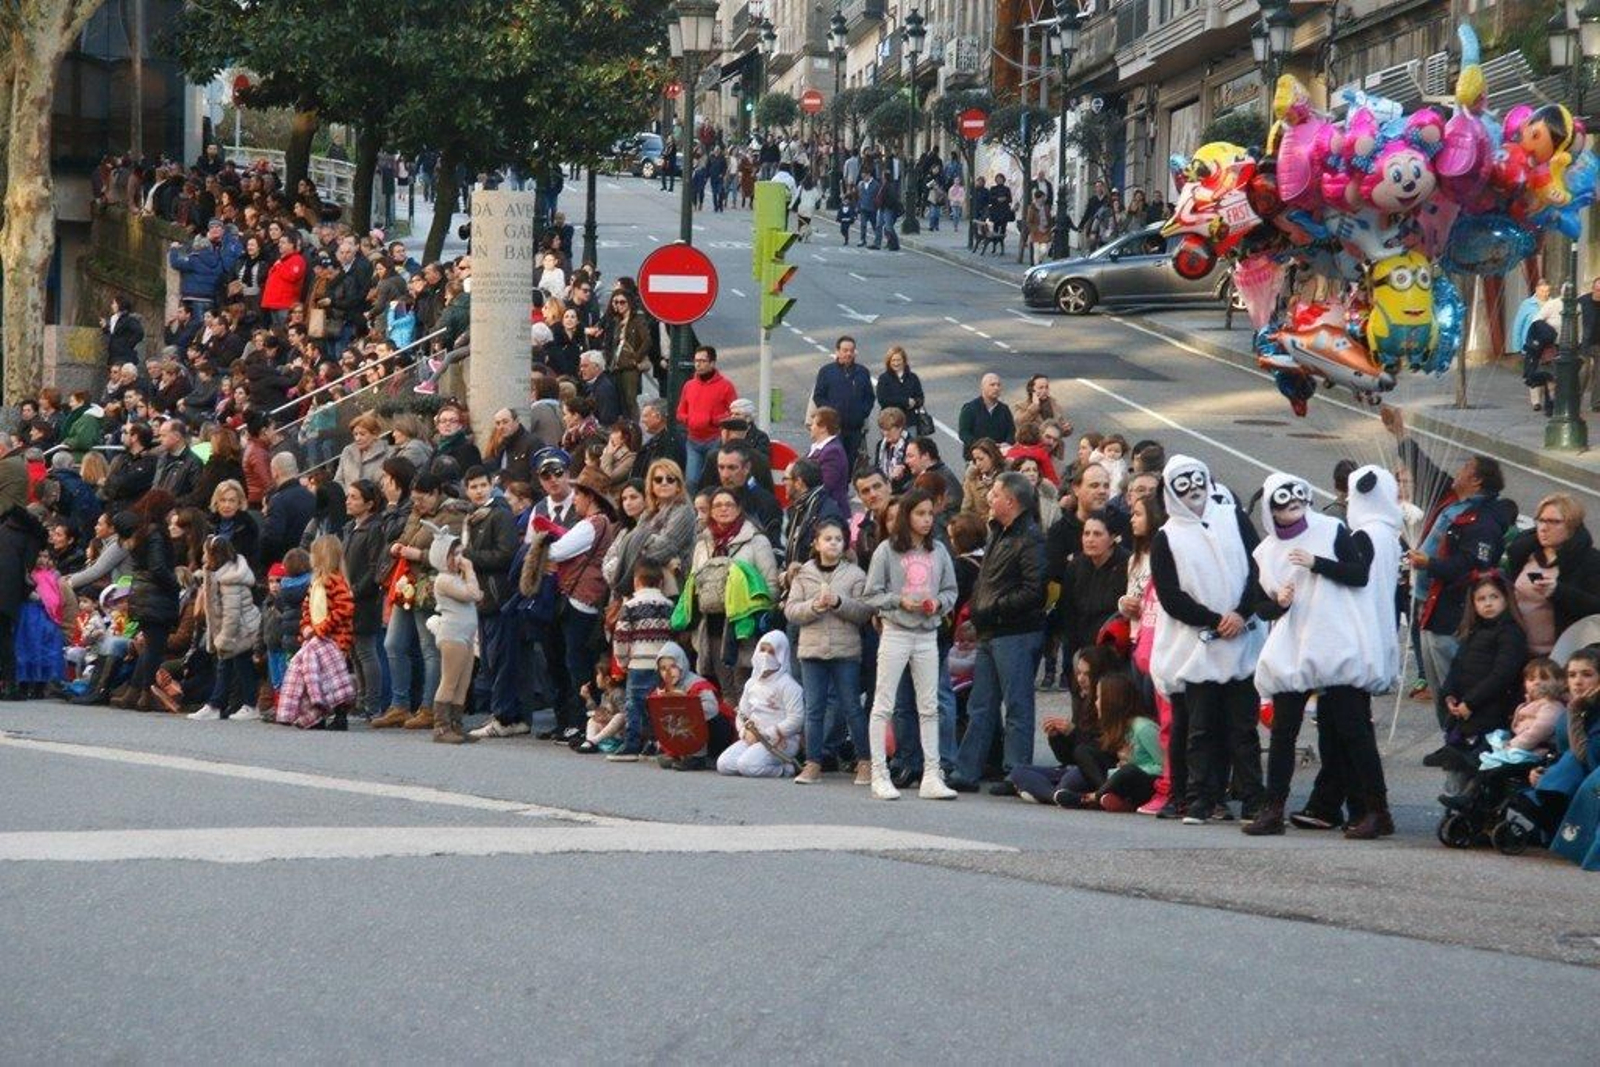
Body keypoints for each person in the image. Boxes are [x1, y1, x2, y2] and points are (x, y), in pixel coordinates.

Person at [1242, 473, 1389, 838]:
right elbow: (1260, 606)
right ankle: (1273, 808)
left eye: (1299, 500)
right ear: (1271, 511)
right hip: (1294, 645)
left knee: (1354, 730)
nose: (1294, 508)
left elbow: (1359, 574)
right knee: (1283, 731)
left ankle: (1377, 810)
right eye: (1284, 504)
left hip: (1335, 639)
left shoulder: (1331, 529)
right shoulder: (1266, 551)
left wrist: (1317, 563)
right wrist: (1278, 603)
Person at [1381, 406, 1516, 735]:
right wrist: (1400, 433)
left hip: (1450, 612)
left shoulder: (1484, 521)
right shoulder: (1451, 496)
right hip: (1427, 604)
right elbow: (1424, 466)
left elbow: (1472, 566)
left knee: (1451, 684)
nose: (1459, 470)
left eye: (1466, 467)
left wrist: (1430, 564)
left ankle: (1461, 740)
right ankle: (1450, 737)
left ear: (1477, 480)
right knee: (1438, 685)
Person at [1150, 455, 1266, 824]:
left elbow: (1259, 566)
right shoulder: (1166, 537)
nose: (1193, 491)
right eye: (1183, 485)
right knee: (1200, 730)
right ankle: (1199, 799)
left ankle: (1253, 799)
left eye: (1197, 481)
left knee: (1243, 730)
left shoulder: (1233, 517)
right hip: (1199, 650)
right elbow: (1171, 597)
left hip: (1243, 642)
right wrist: (1215, 620)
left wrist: (1242, 613)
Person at [859, 487, 958, 801]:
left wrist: (938, 604)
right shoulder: (886, 551)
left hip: (928, 634)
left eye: (930, 514)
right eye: (920, 513)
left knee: (929, 706)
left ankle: (932, 774)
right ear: (907, 516)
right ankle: (879, 773)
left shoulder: (939, 550)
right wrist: (898, 601)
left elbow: (951, 590)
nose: (927, 520)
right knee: (884, 703)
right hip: (896, 632)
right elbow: (871, 593)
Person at [785, 517, 874, 785]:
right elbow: (791, 610)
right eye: (827, 539)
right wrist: (813, 606)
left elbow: (864, 611)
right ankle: (813, 763)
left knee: (852, 707)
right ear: (816, 543)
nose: (833, 543)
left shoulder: (855, 574)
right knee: (814, 709)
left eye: (838, 539)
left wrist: (838, 602)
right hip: (811, 652)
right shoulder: (803, 574)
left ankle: (865, 762)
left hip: (845, 652)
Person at [1433, 574, 1529, 794]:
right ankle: (1461, 798)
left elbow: (1503, 674)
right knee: (1461, 763)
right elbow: (1457, 667)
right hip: (1466, 711)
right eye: (1481, 599)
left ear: (1505, 599)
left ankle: (1476, 801)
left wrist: (1471, 702)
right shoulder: (1473, 631)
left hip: (1492, 709)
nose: (1488, 603)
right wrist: (1449, 694)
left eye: (1494, 597)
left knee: (1482, 765)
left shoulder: (1510, 632)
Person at [686, 488, 778, 702]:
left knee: (745, 687)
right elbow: (694, 580)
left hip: (743, 627)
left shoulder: (756, 541)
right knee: (725, 690)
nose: (723, 509)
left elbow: (771, 584)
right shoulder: (702, 543)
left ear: (739, 509)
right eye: (717, 505)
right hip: (712, 626)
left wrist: (759, 614)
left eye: (729, 504)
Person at [1504, 494, 1600, 657]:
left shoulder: (1590, 561)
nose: (1544, 527)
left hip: (1556, 655)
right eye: (1541, 520)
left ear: (1571, 526)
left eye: (1554, 522)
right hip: (1512, 647)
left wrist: (1558, 592)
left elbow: (1595, 608)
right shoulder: (1524, 552)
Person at [187, 535, 261, 721]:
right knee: (229, 667)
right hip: (234, 631)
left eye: (205, 552)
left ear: (214, 555)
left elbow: (232, 614)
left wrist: (224, 639)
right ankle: (217, 704)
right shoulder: (219, 573)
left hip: (241, 631)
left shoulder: (230, 580)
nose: (203, 556)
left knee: (241, 667)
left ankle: (247, 705)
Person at [610, 561, 676, 762]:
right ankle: (655, 743)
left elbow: (621, 637)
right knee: (658, 706)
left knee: (635, 705)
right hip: (662, 665)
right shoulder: (669, 605)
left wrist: (622, 660)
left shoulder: (630, 606)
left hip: (638, 663)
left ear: (636, 581)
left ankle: (632, 744)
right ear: (661, 582)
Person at [715, 630, 805, 778]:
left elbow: (797, 719)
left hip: (781, 741)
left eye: (771, 652)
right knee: (724, 764)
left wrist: (770, 733)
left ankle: (785, 769)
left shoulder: (789, 686)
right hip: (752, 737)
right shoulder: (751, 683)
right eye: (762, 650)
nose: (765, 655)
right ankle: (757, 763)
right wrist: (744, 732)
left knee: (747, 765)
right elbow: (742, 713)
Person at [341, 480, 388, 722]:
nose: (348, 501)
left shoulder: (374, 529)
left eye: (354, 497)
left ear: (369, 504)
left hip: (365, 599)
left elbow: (374, 566)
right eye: (348, 496)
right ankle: (360, 701)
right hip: (349, 597)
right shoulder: (350, 528)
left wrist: (356, 590)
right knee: (355, 652)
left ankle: (372, 704)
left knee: (366, 650)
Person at [676, 345, 736, 490]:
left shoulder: (726, 386)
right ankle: (694, 505)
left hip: (715, 440)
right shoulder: (689, 386)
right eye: (696, 361)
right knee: (691, 481)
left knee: (711, 482)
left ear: (712, 363)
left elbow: (734, 413)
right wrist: (690, 419)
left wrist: (713, 420)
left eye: (702, 361)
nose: (698, 364)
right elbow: (680, 413)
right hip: (693, 441)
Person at [811, 336, 875, 465]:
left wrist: (862, 413)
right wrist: (830, 415)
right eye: (845, 350)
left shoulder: (862, 372)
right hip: (833, 429)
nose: (848, 354)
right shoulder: (826, 372)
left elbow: (869, 397)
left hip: (854, 429)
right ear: (837, 351)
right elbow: (818, 396)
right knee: (834, 462)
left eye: (851, 350)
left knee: (850, 463)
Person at [805, 406, 851, 516]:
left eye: (814, 424)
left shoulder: (833, 452)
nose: (811, 427)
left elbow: (826, 485)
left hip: (830, 513)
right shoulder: (817, 447)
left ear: (823, 428)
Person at [957, 374, 1015, 457]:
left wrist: (1007, 443)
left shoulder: (1004, 409)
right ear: (982, 387)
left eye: (998, 385)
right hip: (976, 457)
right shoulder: (970, 408)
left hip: (999, 455)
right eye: (992, 385)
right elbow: (964, 433)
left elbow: (1011, 431)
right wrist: (980, 446)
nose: (996, 388)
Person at [875, 345, 926, 425]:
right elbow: (883, 400)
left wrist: (915, 402)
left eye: (899, 360)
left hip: (910, 422)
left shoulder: (913, 377)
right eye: (893, 360)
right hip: (890, 424)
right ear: (889, 362)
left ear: (904, 361)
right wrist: (905, 401)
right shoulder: (884, 379)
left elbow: (920, 397)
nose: (896, 363)